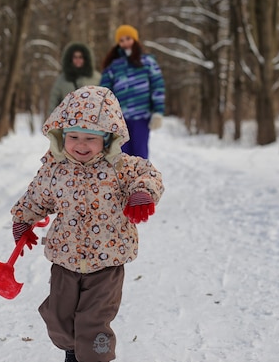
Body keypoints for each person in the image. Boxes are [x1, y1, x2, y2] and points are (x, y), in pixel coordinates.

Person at [10, 86, 164, 362]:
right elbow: (36, 197)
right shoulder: (55, 169)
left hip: (108, 261)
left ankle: (91, 356)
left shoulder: (119, 166)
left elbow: (148, 173)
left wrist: (142, 191)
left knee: (93, 323)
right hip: (64, 259)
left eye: (91, 138)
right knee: (58, 318)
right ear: (62, 135)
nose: (81, 144)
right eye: (74, 137)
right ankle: (72, 348)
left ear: (106, 139)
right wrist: (23, 220)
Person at [99, 25, 166, 159]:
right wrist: (105, 114)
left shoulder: (147, 62)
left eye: (128, 38)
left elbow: (157, 86)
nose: (125, 43)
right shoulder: (114, 66)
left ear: (135, 39)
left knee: (140, 154)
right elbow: (104, 92)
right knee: (122, 156)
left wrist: (158, 112)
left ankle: (141, 179)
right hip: (119, 120)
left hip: (141, 117)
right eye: (121, 40)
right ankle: (124, 180)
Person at [48, 42, 101, 113]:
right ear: (70, 59)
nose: (78, 60)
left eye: (80, 57)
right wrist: (51, 120)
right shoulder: (62, 80)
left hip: (91, 118)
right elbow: (54, 101)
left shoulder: (97, 78)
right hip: (69, 119)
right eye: (75, 57)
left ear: (86, 59)